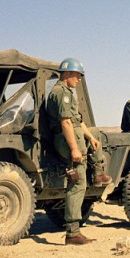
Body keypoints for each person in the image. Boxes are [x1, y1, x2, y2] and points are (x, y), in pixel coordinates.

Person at [47, 57, 112, 245]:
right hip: (68, 140)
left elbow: (77, 120)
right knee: (77, 184)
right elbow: (66, 122)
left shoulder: (66, 92)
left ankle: (99, 173)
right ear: (66, 73)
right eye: (77, 75)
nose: (79, 79)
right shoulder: (62, 93)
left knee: (94, 132)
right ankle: (72, 232)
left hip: (73, 136)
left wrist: (90, 138)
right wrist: (75, 149)